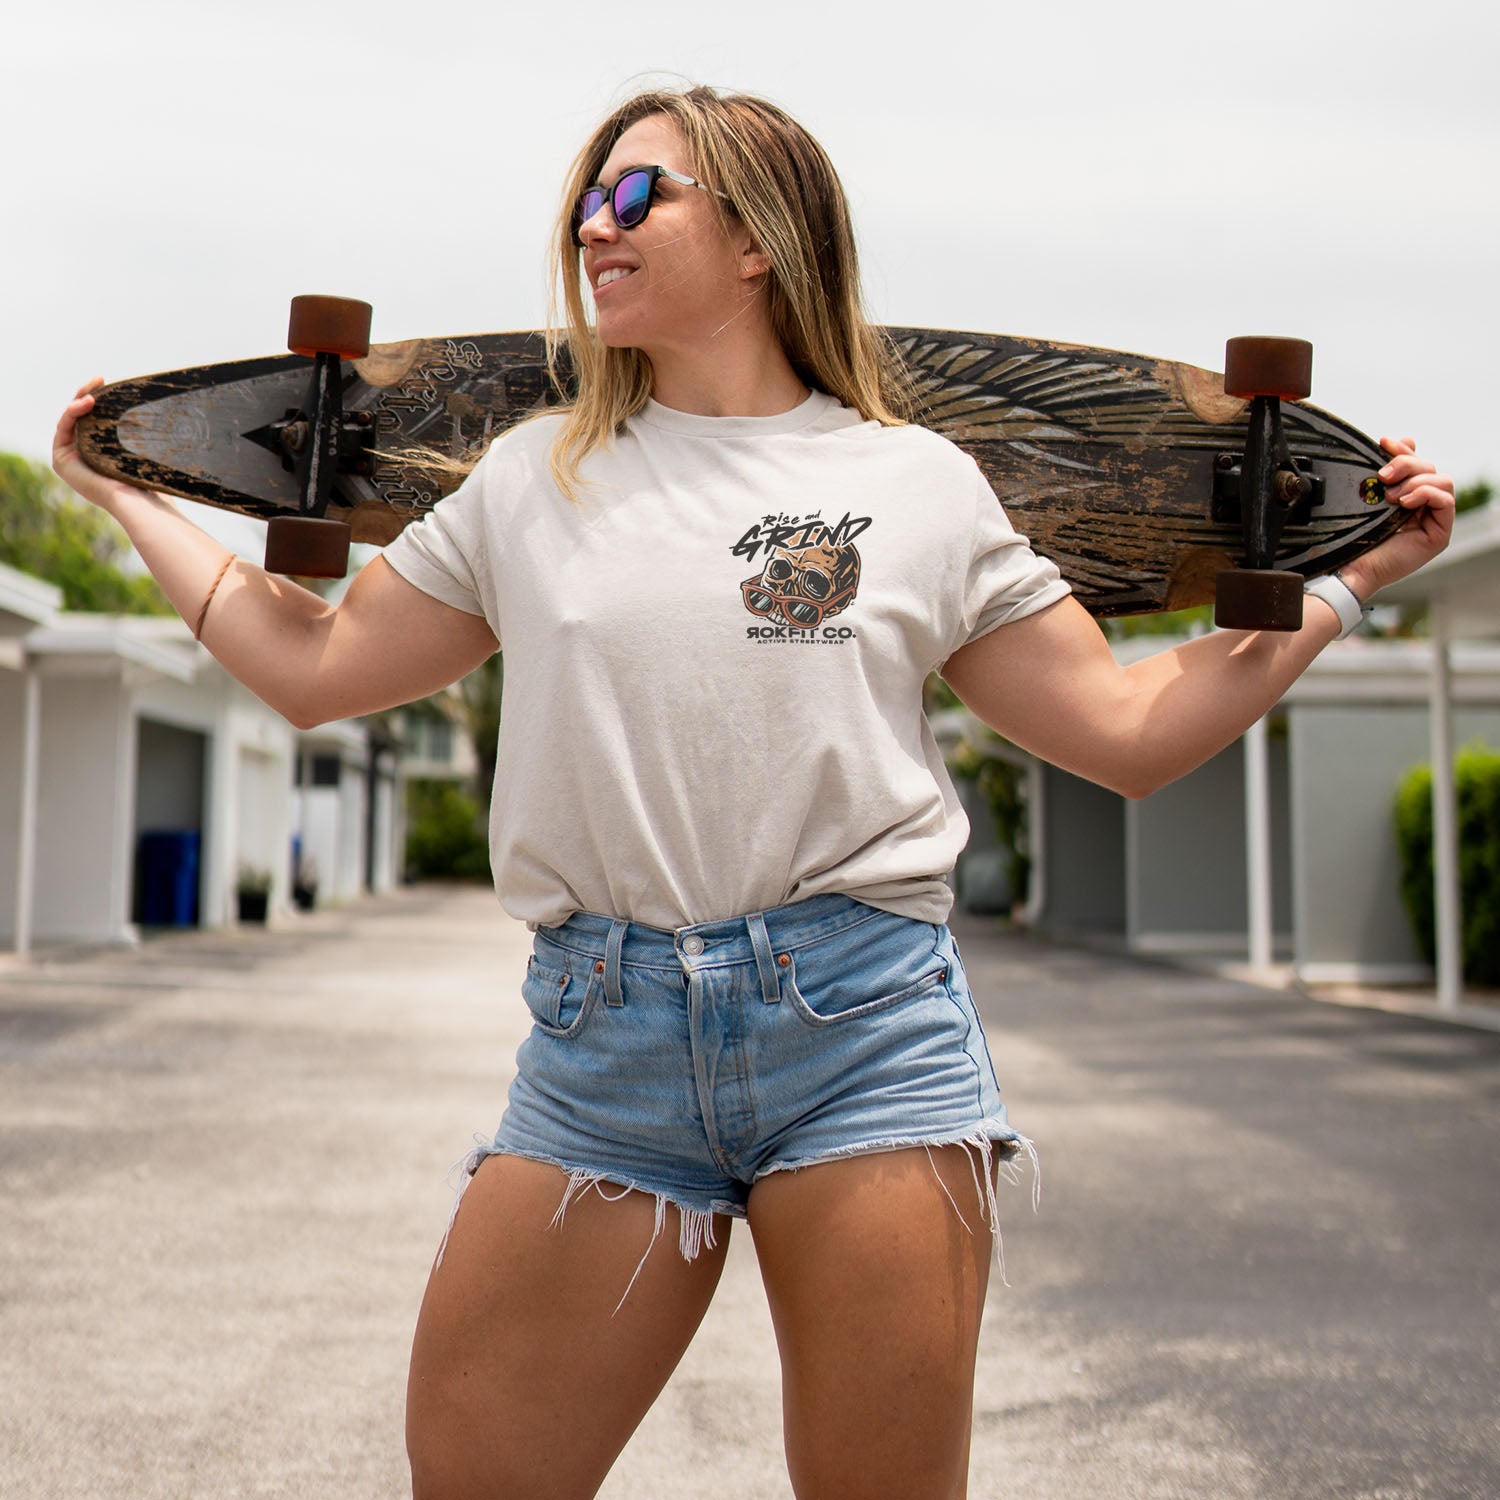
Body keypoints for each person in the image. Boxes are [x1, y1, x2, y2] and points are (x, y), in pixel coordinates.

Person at [53, 84, 1454, 1500]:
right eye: (584, 203)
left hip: (862, 1031)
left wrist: (1354, 583)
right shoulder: (534, 479)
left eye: (633, 196)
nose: (592, 228)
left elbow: (1128, 727)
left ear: (757, 243)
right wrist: (125, 495)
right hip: (603, 1039)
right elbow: (313, 666)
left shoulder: (917, 486)